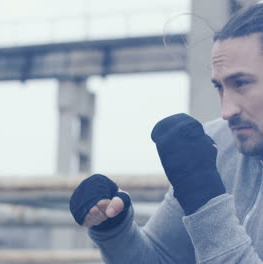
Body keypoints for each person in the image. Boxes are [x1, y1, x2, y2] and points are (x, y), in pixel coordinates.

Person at [69, 3, 263, 263]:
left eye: (241, 83)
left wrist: (206, 205)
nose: (226, 111)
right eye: (220, 87)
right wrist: (114, 230)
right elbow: (162, 256)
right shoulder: (218, 142)